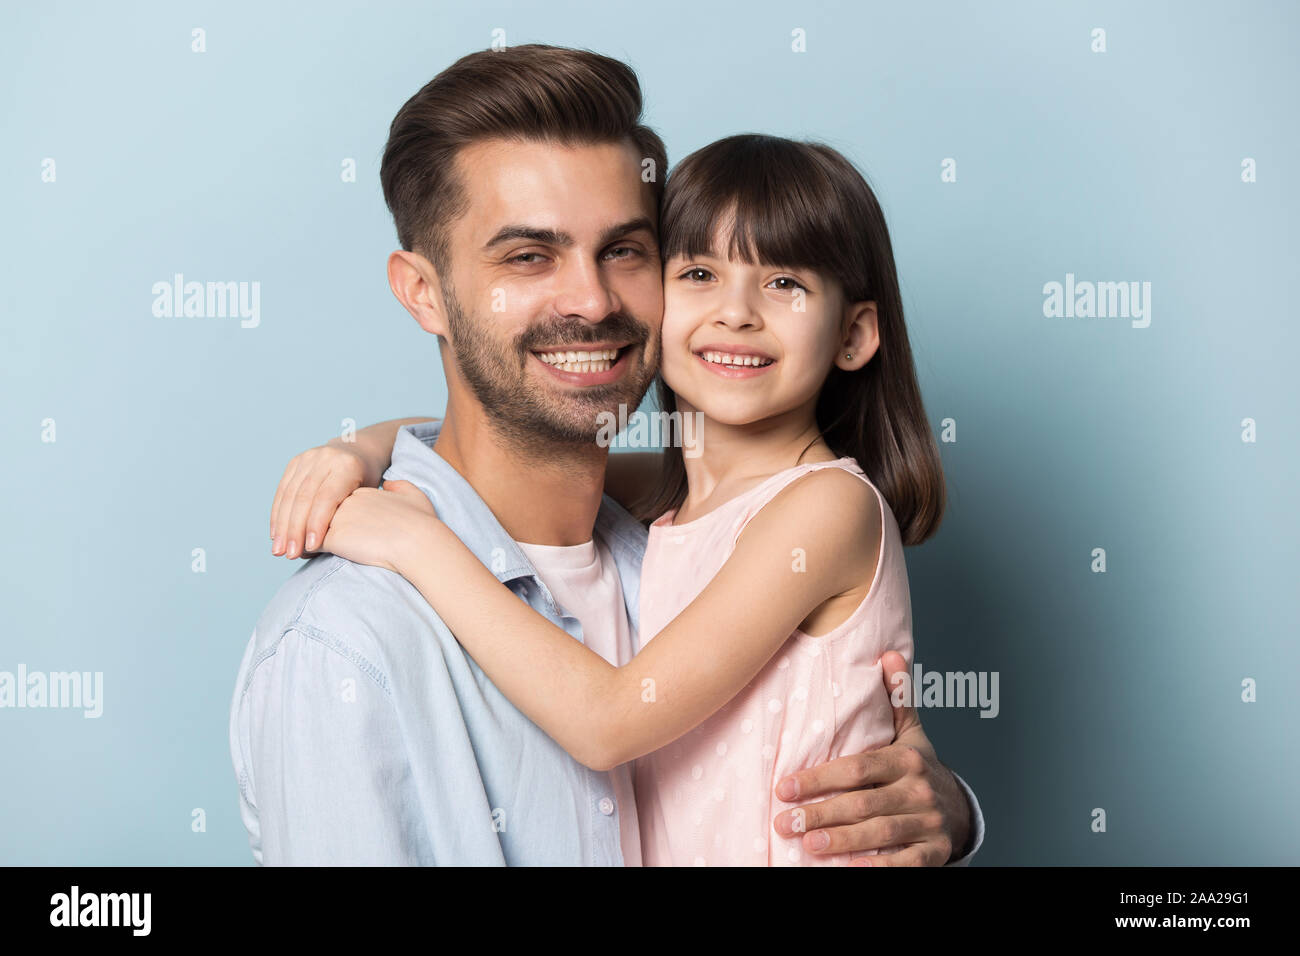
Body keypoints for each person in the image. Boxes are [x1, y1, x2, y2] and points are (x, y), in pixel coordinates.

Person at [235, 43, 984, 865]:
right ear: (424, 292)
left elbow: (619, 722)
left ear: (853, 334)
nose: (591, 301)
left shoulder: (695, 524)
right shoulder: (349, 642)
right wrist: (366, 446)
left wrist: (948, 810)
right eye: (528, 256)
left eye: (624, 251)